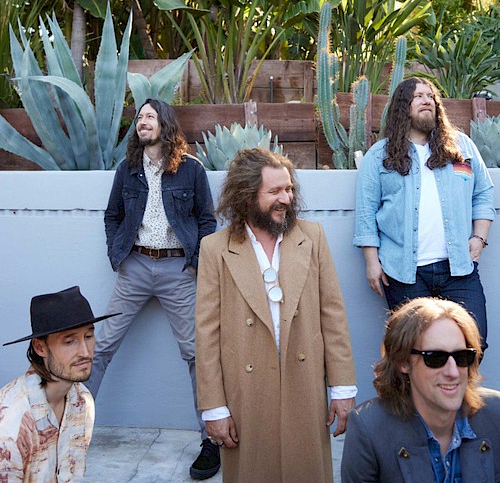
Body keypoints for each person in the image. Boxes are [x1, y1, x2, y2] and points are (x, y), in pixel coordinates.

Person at [195, 148, 357, 483]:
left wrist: (342, 388)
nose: (286, 198)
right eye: (275, 192)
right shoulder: (215, 248)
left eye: (289, 189)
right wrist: (214, 407)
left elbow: (333, 315)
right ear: (246, 195)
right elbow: (206, 334)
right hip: (246, 394)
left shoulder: (312, 237)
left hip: (305, 384)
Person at [84, 99, 218, 479]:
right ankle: (72, 427)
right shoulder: (127, 170)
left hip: (179, 268)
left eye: (150, 116)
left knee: (196, 352)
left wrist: (195, 264)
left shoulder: (191, 170)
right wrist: (118, 256)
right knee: (102, 345)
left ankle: (211, 438)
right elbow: (112, 216)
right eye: (139, 117)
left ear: (165, 124)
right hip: (136, 266)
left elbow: (206, 220)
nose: (142, 122)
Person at [354, 77, 494, 352]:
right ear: (402, 107)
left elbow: (483, 194)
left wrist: (479, 238)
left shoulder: (461, 147)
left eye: (430, 96)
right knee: (415, 350)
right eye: (417, 96)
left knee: (473, 343)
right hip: (404, 273)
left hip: (459, 269)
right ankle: (419, 397)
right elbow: (365, 212)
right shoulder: (379, 156)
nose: (426, 100)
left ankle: (458, 396)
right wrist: (371, 262)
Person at [341, 297, 500, 482]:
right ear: (403, 362)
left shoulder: (495, 416)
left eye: (462, 356)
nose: (453, 372)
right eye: (435, 358)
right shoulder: (369, 429)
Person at [0, 286, 119, 481]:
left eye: (88, 337)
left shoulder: (82, 402)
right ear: (40, 347)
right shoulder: (9, 427)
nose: (85, 352)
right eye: (69, 341)